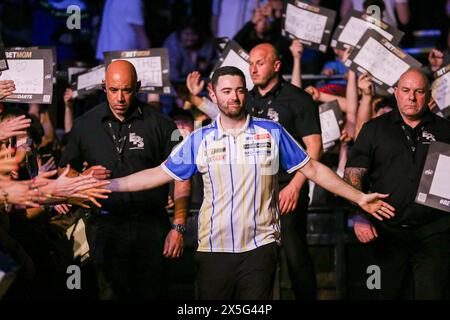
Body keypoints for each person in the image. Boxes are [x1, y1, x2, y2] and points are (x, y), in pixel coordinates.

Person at [106, 66, 395, 300]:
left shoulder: (272, 132)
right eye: (227, 91)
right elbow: (156, 174)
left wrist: (358, 198)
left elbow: (314, 170)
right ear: (213, 94)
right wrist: (108, 187)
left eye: (240, 90)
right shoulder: (199, 138)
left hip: (260, 248)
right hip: (212, 250)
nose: (234, 97)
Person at [188, 43, 322, 300]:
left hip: (287, 186)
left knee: (295, 256)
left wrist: (295, 186)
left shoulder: (298, 98)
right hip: (254, 191)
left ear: (277, 65)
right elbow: (220, 114)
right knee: (258, 260)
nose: (253, 68)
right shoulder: (245, 97)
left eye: (260, 63)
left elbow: (314, 146)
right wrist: (195, 98)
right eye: (250, 63)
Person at [59, 60, 190, 299]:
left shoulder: (161, 124)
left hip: (152, 226)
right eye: (113, 90)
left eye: (127, 90)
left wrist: (179, 226)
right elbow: (64, 172)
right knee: (110, 295)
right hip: (104, 226)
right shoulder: (84, 124)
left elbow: (183, 175)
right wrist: (84, 176)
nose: (120, 98)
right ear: (103, 86)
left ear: (138, 87)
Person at [344, 68, 450, 299]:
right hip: (384, 234)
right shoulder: (374, 129)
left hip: (434, 234)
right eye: (406, 90)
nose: (411, 97)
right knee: (381, 294)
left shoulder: (445, 130)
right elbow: (353, 174)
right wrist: (359, 215)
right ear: (395, 92)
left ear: (429, 95)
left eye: (419, 92)